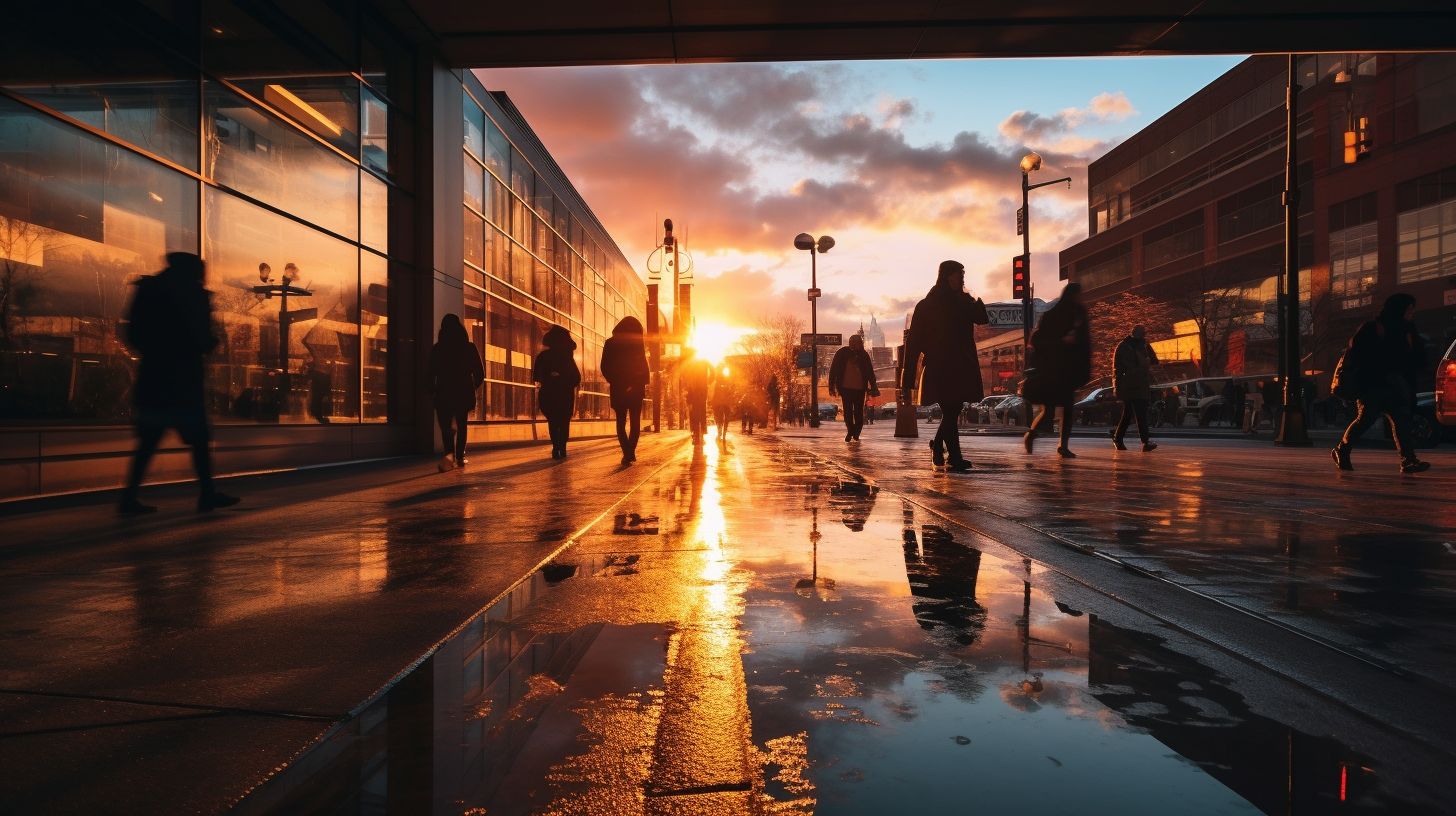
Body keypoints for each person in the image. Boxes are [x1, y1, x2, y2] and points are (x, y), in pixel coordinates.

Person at [118, 252, 239, 514]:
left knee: (149, 440)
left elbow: (133, 333)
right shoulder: (191, 295)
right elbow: (202, 337)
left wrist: (154, 353)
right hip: (183, 378)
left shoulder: (149, 290)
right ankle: (207, 494)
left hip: (155, 376)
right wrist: (208, 343)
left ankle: (129, 498)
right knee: (198, 438)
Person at [902, 260, 987, 473]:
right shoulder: (928, 305)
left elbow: (982, 318)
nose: (962, 278)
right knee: (951, 409)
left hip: (957, 364)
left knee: (952, 409)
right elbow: (913, 344)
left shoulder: (962, 300)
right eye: (959, 274)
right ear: (948, 275)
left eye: (962, 274)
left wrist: (975, 301)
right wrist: (907, 380)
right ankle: (946, 451)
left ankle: (946, 451)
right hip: (943, 365)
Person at [1332, 293, 1430, 474]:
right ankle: (1342, 449)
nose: (1411, 313)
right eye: (1409, 309)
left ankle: (1408, 460)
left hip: (1397, 387)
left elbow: (1417, 358)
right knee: (1365, 420)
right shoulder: (1372, 328)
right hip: (1373, 386)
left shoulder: (1409, 330)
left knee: (1402, 423)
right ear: (1399, 309)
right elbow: (1358, 357)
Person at [1023, 282, 1091, 458]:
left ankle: (1062, 445)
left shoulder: (1078, 316)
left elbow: (1085, 345)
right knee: (1050, 410)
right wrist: (1062, 342)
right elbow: (1038, 342)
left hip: (1066, 371)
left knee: (1066, 408)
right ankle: (1033, 435)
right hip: (1053, 371)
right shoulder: (1054, 316)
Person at [429, 313, 484, 471]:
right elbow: (480, 373)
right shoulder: (469, 348)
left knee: (446, 426)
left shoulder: (438, 349)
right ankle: (460, 456)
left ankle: (449, 455)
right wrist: (471, 387)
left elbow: (430, 373)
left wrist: (432, 390)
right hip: (463, 392)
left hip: (444, 393)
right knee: (462, 424)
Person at [601, 316, 650, 464]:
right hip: (635, 388)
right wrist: (639, 383)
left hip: (618, 388)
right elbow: (643, 367)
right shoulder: (638, 344)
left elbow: (604, 366)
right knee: (635, 422)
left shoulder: (610, 343)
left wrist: (615, 381)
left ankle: (627, 453)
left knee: (620, 422)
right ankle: (630, 452)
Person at [533, 325, 580, 460]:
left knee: (553, 422)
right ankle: (562, 447)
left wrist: (550, 377)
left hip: (548, 394)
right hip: (565, 395)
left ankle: (555, 447)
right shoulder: (568, 358)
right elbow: (576, 378)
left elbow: (536, 376)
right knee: (564, 422)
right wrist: (564, 379)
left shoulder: (543, 356)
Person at [1110, 325, 1159, 452]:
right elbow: (1121, 368)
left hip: (1139, 384)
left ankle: (1120, 438)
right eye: (1142, 333)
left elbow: (1154, 360)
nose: (1144, 335)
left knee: (1132, 413)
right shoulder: (1124, 347)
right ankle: (1143, 441)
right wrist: (1118, 386)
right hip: (1130, 385)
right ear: (1135, 333)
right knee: (1137, 413)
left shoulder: (1143, 345)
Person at [829, 334, 879, 442]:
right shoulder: (842, 353)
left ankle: (856, 432)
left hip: (860, 389)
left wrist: (874, 386)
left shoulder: (863, 355)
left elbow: (870, 372)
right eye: (858, 342)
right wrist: (831, 386)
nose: (860, 344)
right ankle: (850, 431)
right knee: (848, 412)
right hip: (845, 388)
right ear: (852, 342)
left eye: (860, 342)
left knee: (858, 412)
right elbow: (833, 370)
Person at [682, 349, 714, 446]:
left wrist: (687, 386)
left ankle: (695, 435)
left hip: (692, 391)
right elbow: (713, 372)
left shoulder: (689, 364)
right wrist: (708, 382)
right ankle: (702, 435)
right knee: (702, 412)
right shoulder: (705, 362)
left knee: (693, 413)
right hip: (702, 391)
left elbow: (684, 376)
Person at [713, 365, 736, 443]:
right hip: (725, 402)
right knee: (726, 418)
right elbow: (730, 392)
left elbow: (715, 393)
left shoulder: (716, 381)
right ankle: (724, 432)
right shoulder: (727, 379)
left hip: (718, 402)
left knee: (718, 417)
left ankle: (720, 430)